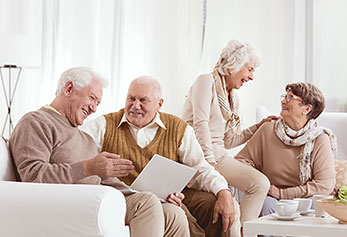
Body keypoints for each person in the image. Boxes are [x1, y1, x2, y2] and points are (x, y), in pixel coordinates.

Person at [9, 67, 187, 237]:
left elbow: (107, 181)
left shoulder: (84, 137)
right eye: (92, 98)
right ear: (69, 89)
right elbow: (32, 176)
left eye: (98, 103)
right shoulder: (36, 122)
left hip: (100, 201)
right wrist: (88, 167)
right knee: (146, 203)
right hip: (70, 205)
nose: (94, 108)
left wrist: (159, 197)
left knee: (173, 215)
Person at [81, 76, 241, 237]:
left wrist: (223, 191)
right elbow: (75, 148)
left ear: (159, 104)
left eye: (143, 100)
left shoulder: (178, 128)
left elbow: (200, 168)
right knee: (174, 213)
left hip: (173, 197)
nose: (135, 106)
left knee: (225, 205)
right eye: (131, 98)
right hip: (130, 200)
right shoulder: (103, 125)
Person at [182, 40, 277, 225]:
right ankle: (245, 232)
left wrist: (258, 127)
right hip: (198, 153)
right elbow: (200, 124)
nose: (251, 77)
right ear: (234, 64)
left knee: (259, 183)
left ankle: (243, 231)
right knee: (259, 184)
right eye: (249, 69)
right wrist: (209, 161)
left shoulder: (232, 97)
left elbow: (228, 140)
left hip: (218, 153)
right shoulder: (205, 82)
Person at [235, 82, 337, 216]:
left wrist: (283, 193)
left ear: (306, 109)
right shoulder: (267, 129)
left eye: (290, 97)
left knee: (316, 206)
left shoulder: (319, 138)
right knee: (264, 205)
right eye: (284, 96)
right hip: (270, 196)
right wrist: (262, 184)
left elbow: (324, 185)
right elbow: (241, 161)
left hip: (306, 198)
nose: (283, 101)